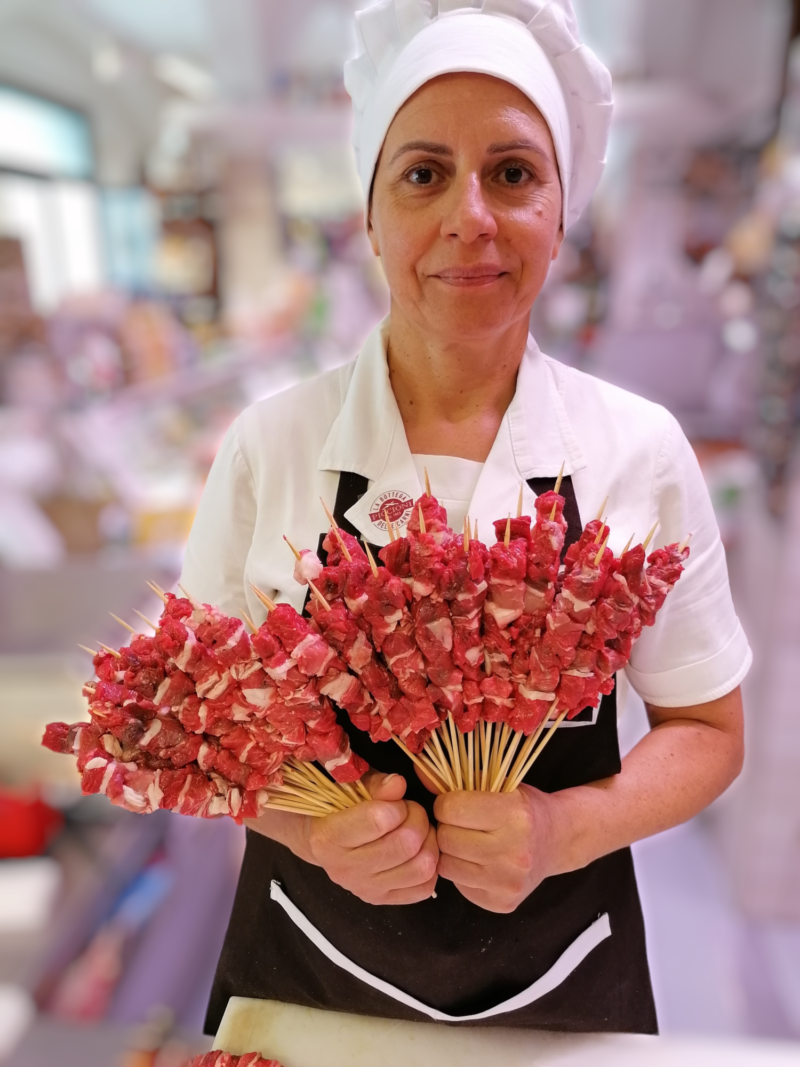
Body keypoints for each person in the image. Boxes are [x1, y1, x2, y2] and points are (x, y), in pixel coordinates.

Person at [182, 0, 751, 1037]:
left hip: (559, 995)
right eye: (423, 173)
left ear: (561, 207)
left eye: (512, 172)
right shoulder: (271, 448)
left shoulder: (636, 450)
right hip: (310, 992)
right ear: (369, 214)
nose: (469, 217)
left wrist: (566, 824)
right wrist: (307, 833)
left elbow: (706, 729)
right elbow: (204, 736)